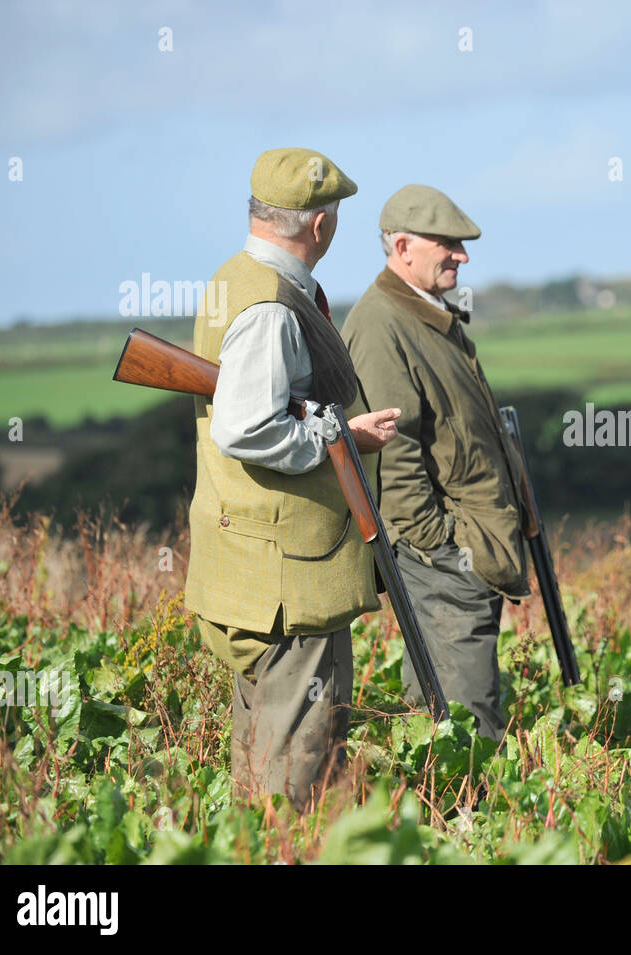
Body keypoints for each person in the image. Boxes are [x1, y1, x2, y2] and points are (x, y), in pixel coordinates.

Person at [184, 147, 402, 809]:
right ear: (319, 225)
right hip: (287, 581)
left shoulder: (237, 278)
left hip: (259, 571)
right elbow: (245, 427)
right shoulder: (272, 307)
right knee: (298, 777)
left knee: (264, 760)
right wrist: (341, 436)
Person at [342, 184, 530, 742]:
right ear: (402, 247)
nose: (462, 256)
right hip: (439, 556)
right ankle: (464, 819)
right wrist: (442, 544)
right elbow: (392, 450)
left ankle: (435, 817)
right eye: (447, 243)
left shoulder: (427, 315)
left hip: (460, 550)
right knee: (467, 725)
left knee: (437, 718)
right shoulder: (381, 326)